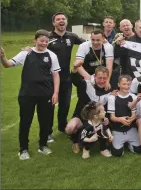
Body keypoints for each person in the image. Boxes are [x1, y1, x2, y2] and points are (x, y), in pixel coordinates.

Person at [1, 30, 60, 160]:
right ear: (35, 40)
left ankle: (43, 145)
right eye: (41, 40)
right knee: (25, 121)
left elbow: (56, 75)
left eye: (46, 41)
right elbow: (8, 65)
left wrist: (55, 93)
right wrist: (3, 57)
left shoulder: (51, 55)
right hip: (27, 94)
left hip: (46, 94)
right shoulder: (25, 53)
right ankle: (23, 149)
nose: (44, 43)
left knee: (45, 121)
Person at [47, 12, 86, 141]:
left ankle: (62, 126)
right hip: (49, 78)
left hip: (66, 77)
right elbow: (38, 47)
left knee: (65, 104)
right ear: (54, 23)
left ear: (66, 22)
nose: (61, 21)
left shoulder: (71, 36)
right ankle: (47, 132)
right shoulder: (48, 37)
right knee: (49, 106)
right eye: (58, 19)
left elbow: (87, 44)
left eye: (63, 19)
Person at [67, 63, 112, 154]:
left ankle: (102, 147)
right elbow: (75, 80)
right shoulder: (87, 85)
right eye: (99, 78)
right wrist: (75, 68)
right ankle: (75, 141)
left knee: (105, 122)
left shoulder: (110, 91)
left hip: (97, 120)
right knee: (70, 128)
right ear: (94, 76)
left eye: (104, 78)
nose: (102, 80)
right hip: (81, 117)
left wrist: (107, 119)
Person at [107, 75, 141, 157]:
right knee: (117, 153)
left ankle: (130, 142)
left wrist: (131, 119)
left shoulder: (133, 97)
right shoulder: (112, 98)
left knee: (138, 150)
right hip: (117, 129)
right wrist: (121, 120)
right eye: (124, 84)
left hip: (130, 128)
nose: (126, 86)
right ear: (118, 84)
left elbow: (134, 115)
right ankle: (118, 142)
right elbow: (112, 117)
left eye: (128, 84)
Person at [111, 19, 135, 89]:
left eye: (127, 25)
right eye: (123, 26)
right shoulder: (118, 40)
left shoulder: (138, 38)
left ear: (132, 26)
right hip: (124, 72)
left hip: (137, 71)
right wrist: (118, 44)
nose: (126, 27)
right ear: (120, 29)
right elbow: (115, 55)